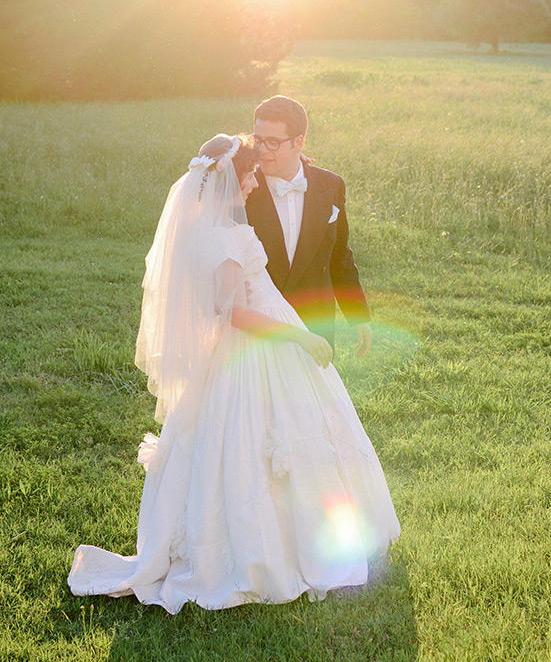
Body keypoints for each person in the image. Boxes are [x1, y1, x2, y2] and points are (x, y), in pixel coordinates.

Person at [68, 133, 399, 613]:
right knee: (261, 444)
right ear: (230, 177)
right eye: (247, 177)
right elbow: (235, 314)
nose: (252, 186)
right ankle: (273, 551)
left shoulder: (205, 227)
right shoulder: (225, 237)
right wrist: (299, 337)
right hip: (259, 346)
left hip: (256, 340)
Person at [246, 96, 372, 357]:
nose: (262, 151)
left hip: (315, 324)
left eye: (273, 142)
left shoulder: (330, 186)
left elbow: (340, 255)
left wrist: (357, 315)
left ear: (298, 143)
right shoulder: (242, 188)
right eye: (258, 140)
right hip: (259, 330)